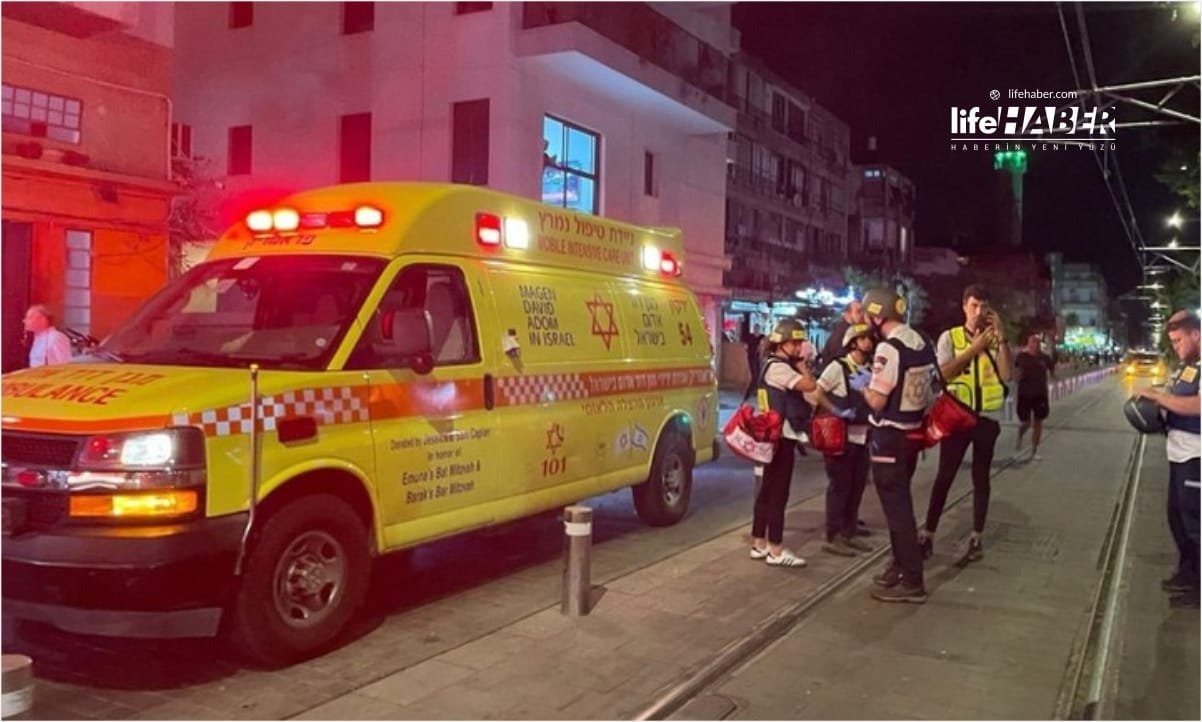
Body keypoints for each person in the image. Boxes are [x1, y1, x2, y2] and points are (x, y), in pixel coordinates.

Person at [920, 284, 1012, 564]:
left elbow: (1007, 375)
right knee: (945, 476)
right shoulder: (950, 337)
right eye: (974, 305)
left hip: (986, 420)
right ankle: (928, 534)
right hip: (957, 417)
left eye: (984, 306)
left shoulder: (996, 339)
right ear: (964, 307)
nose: (978, 311)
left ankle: (976, 537)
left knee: (981, 478)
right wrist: (974, 350)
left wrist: (1002, 338)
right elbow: (944, 374)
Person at [860, 288, 937, 602]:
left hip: (890, 436)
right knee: (899, 504)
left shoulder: (888, 349)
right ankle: (899, 565)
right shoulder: (921, 342)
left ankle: (913, 580)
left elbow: (878, 400)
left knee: (897, 510)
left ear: (878, 316)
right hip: (913, 434)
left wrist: (862, 388)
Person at [1137, 310, 1200, 608]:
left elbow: (1198, 405)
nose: (1175, 347)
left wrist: (1160, 398)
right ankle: (1189, 572)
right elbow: (1177, 395)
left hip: (1196, 455)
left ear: (1196, 334)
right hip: (1178, 454)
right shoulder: (1186, 367)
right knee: (1177, 517)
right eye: (1172, 341)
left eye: (1178, 341)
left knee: (1195, 521)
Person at [749, 318, 817, 568]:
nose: (799, 348)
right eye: (794, 343)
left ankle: (759, 544)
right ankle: (776, 549)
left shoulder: (768, 363)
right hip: (782, 435)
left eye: (800, 343)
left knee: (767, 491)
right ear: (782, 344)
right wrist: (802, 366)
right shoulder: (780, 368)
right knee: (778, 493)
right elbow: (810, 385)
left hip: (772, 435)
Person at [813, 322, 876, 556]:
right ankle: (833, 534)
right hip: (841, 438)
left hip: (863, 435)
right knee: (840, 487)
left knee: (857, 485)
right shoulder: (838, 367)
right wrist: (836, 411)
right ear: (852, 342)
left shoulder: (870, 367)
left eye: (870, 338)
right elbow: (817, 392)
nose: (868, 342)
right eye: (863, 338)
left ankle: (849, 530)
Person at [1014, 332, 1056, 460]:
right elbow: (1015, 372)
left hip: (1040, 394)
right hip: (1025, 394)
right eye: (1032, 342)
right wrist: (1017, 378)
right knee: (1026, 422)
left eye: (1037, 342)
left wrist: (1055, 379)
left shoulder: (1045, 358)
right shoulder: (1021, 357)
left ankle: (1034, 450)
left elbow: (1052, 372)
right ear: (1028, 344)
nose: (1035, 344)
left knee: (1038, 422)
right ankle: (1020, 435)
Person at [23, 304, 72, 368]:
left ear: (43, 320)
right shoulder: (37, 338)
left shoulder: (56, 337)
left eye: (29, 318)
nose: (24, 321)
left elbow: (65, 364)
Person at [823, 300, 866, 366]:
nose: (862, 315)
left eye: (863, 311)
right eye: (858, 312)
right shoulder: (842, 334)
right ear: (848, 314)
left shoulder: (849, 330)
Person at [742, 324, 764, 401]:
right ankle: (748, 394)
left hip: (757, 358)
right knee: (755, 376)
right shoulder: (750, 337)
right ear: (754, 329)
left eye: (757, 329)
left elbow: (764, 342)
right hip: (751, 358)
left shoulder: (761, 337)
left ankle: (754, 392)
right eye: (755, 329)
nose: (756, 330)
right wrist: (748, 349)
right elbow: (745, 346)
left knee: (758, 376)